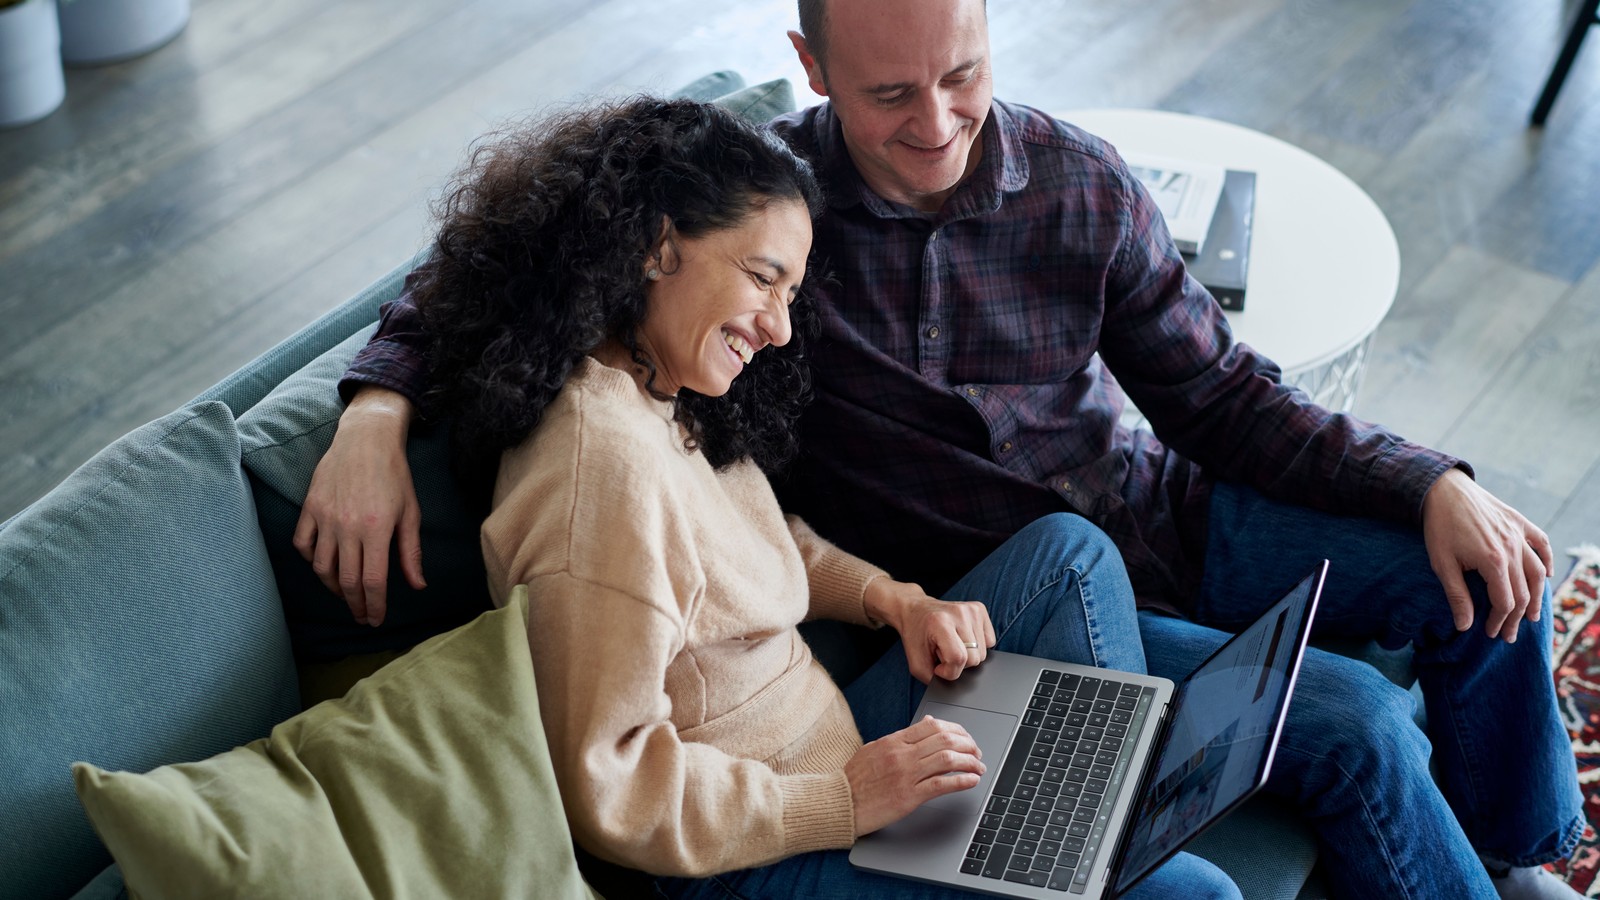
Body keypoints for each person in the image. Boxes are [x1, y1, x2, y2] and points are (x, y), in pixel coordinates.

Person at [296, 2, 1585, 897]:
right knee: (1355, 720)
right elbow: (499, 256)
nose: (936, 121)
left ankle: (1522, 848)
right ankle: (1122, 819)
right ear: (812, 67)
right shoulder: (768, 224)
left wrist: (1427, 481)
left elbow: (1225, 400)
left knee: (1475, 561)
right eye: (890, 92)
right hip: (1008, 600)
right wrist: (371, 409)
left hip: (1149, 518)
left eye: (961, 74)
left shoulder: (1078, 186)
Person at [373, 96, 1238, 898]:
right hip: (756, 854)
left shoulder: (655, 388)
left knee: (1070, 554)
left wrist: (893, 601)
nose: (780, 327)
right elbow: (611, 785)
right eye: (762, 278)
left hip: (830, 758)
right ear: (656, 245)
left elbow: (747, 540)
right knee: (1200, 892)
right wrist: (842, 802)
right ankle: (1105, 836)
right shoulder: (598, 477)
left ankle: (1094, 822)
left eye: (789, 293)